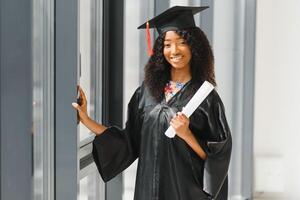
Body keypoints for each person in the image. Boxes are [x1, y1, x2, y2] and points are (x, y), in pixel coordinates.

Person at [73, 6, 232, 200]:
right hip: (149, 190)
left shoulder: (206, 98)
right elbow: (128, 141)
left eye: (181, 42)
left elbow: (218, 155)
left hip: (185, 192)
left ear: (194, 47)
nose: (174, 50)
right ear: (160, 50)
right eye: (167, 44)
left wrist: (187, 134)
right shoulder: (146, 92)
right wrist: (86, 119)